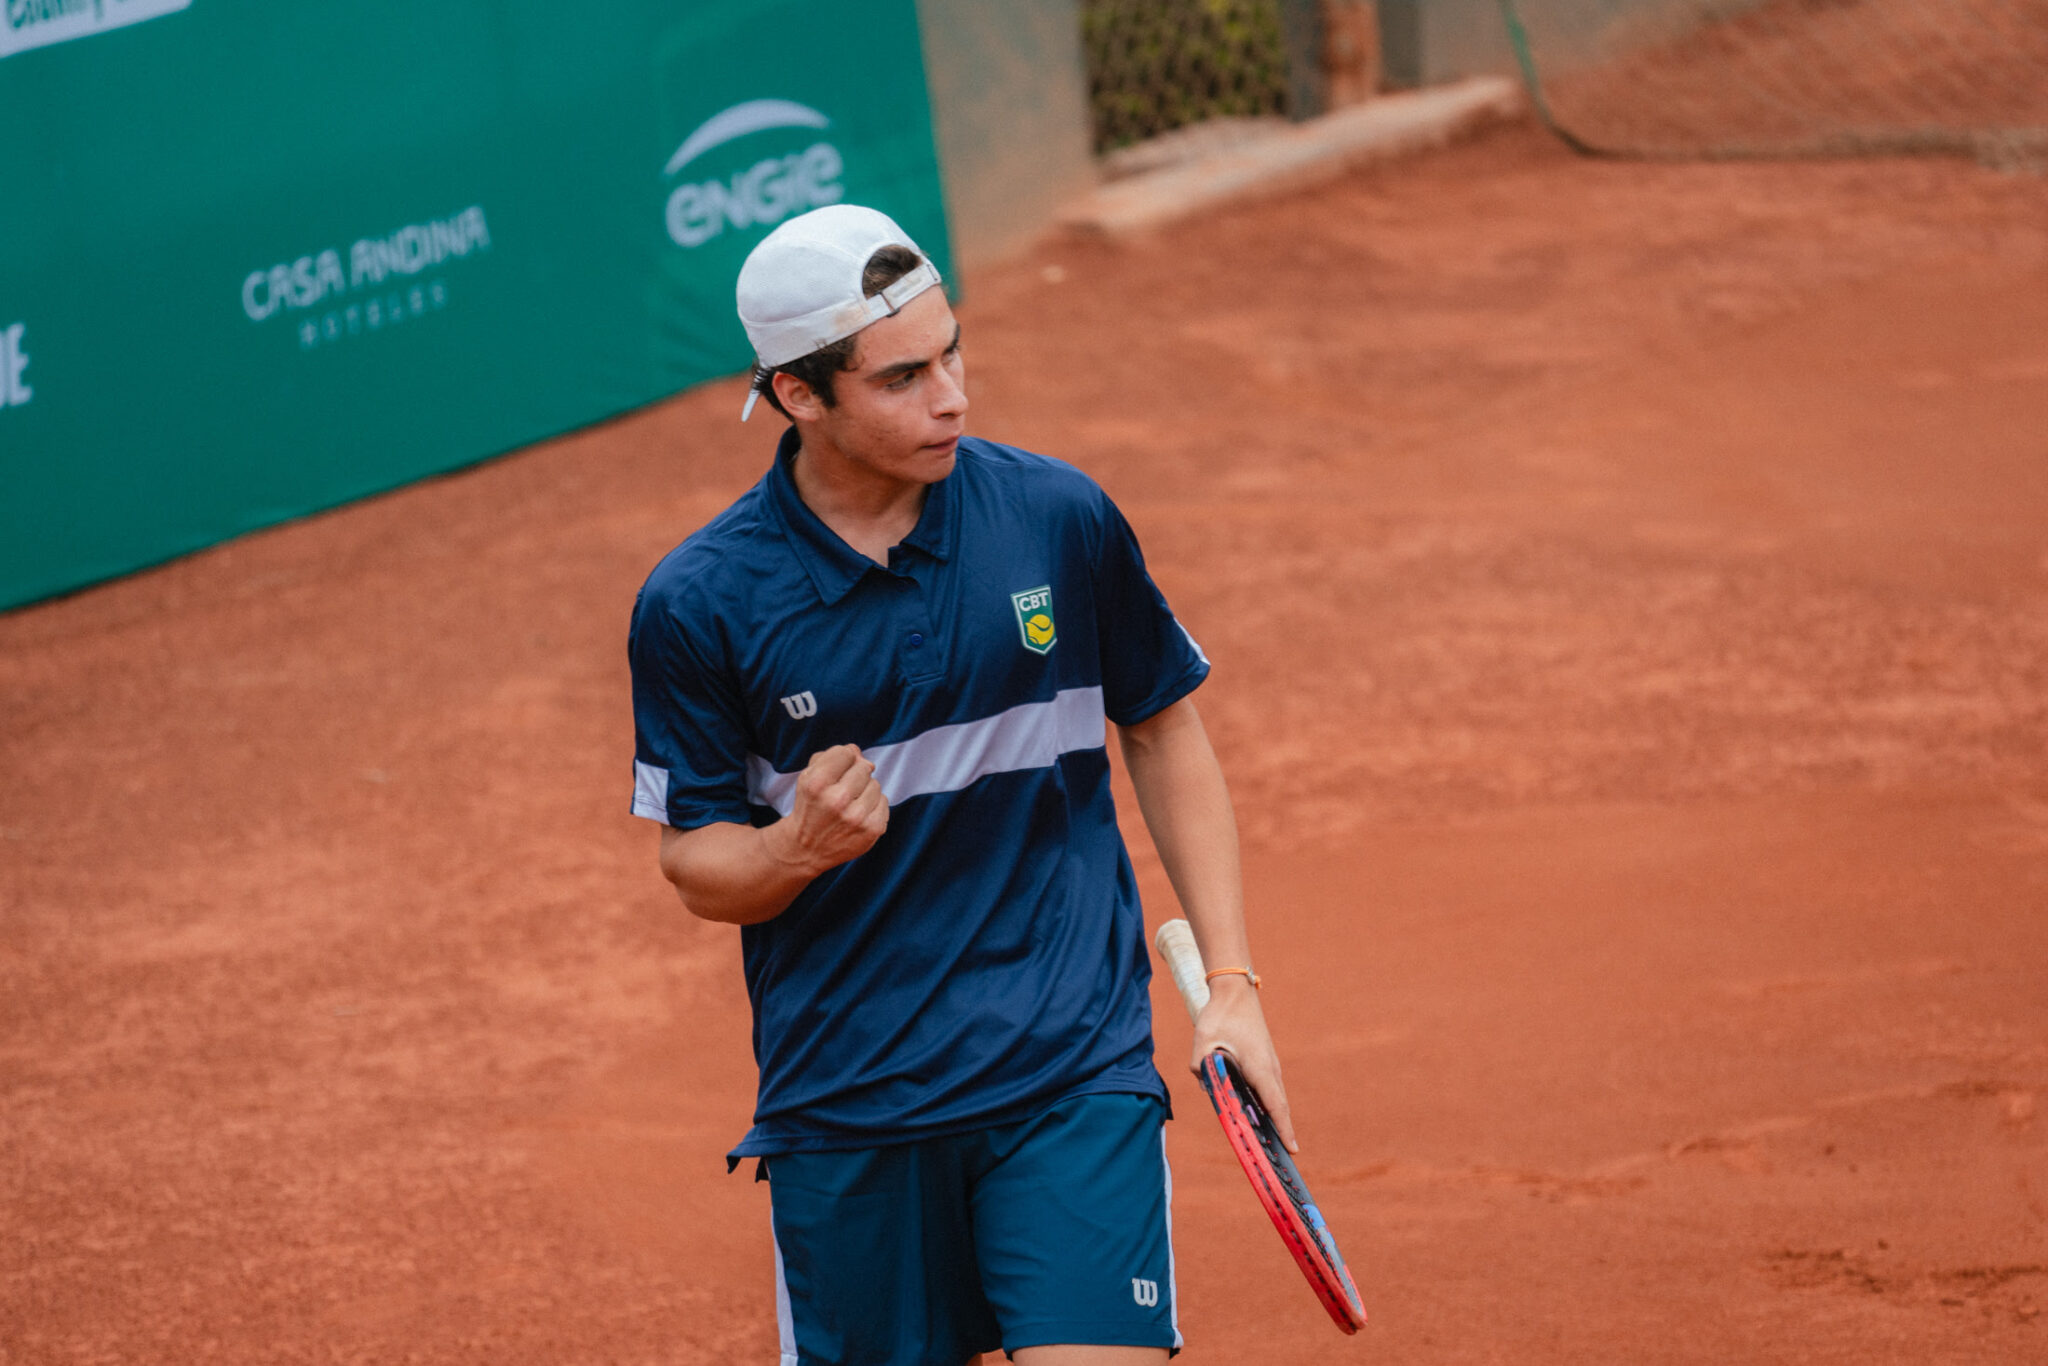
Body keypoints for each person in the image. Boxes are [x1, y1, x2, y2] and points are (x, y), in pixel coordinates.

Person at [627, 204, 1295, 1366]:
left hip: (1067, 1066)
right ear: (798, 395)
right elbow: (695, 861)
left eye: (952, 353)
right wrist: (793, 849)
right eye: (900, 377)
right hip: (851, 1103)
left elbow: (1161, 730)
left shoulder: (1052, 518)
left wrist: (1230, 983)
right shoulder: (700, 604)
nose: (951, 397)